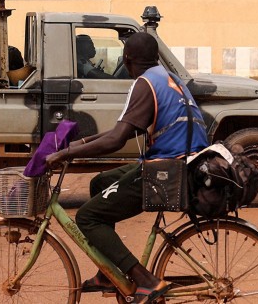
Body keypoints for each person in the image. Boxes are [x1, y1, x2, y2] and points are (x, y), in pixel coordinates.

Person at [45, 32, 208, 303]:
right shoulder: (167, 78)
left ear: (126, 60)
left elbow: (116, 139)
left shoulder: (144, 84)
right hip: (186, 164)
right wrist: (81, 143)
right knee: (99, 184)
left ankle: (146, 281)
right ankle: (108, 271)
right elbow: (124, 130)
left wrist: (66, 154)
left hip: (169, 171)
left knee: (87, 217)